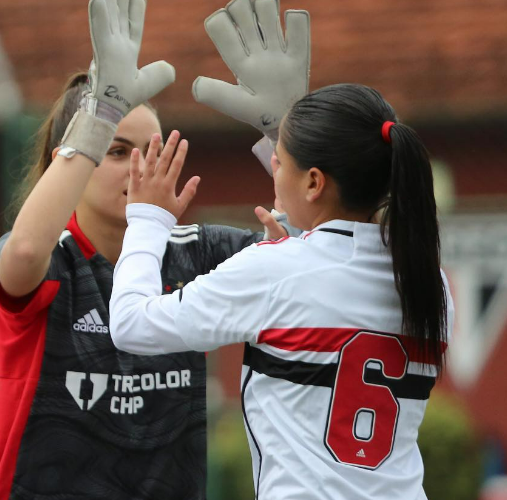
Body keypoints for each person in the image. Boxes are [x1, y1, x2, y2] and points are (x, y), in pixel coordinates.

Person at [0, 0, 296, 500]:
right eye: (112, 148)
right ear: (75, 159)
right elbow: (20, 253)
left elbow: (311, 256)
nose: (135, 167)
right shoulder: (52, 257)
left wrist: (288, 137)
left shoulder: (196, 250)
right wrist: (95, 117)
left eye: (148, 150)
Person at [109, 81, 453, 499]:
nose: (270, 160)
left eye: (280, 158)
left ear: (313, 182)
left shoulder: (276, 270)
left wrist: (147, 219)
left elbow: (131, 325)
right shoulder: (428, 280)